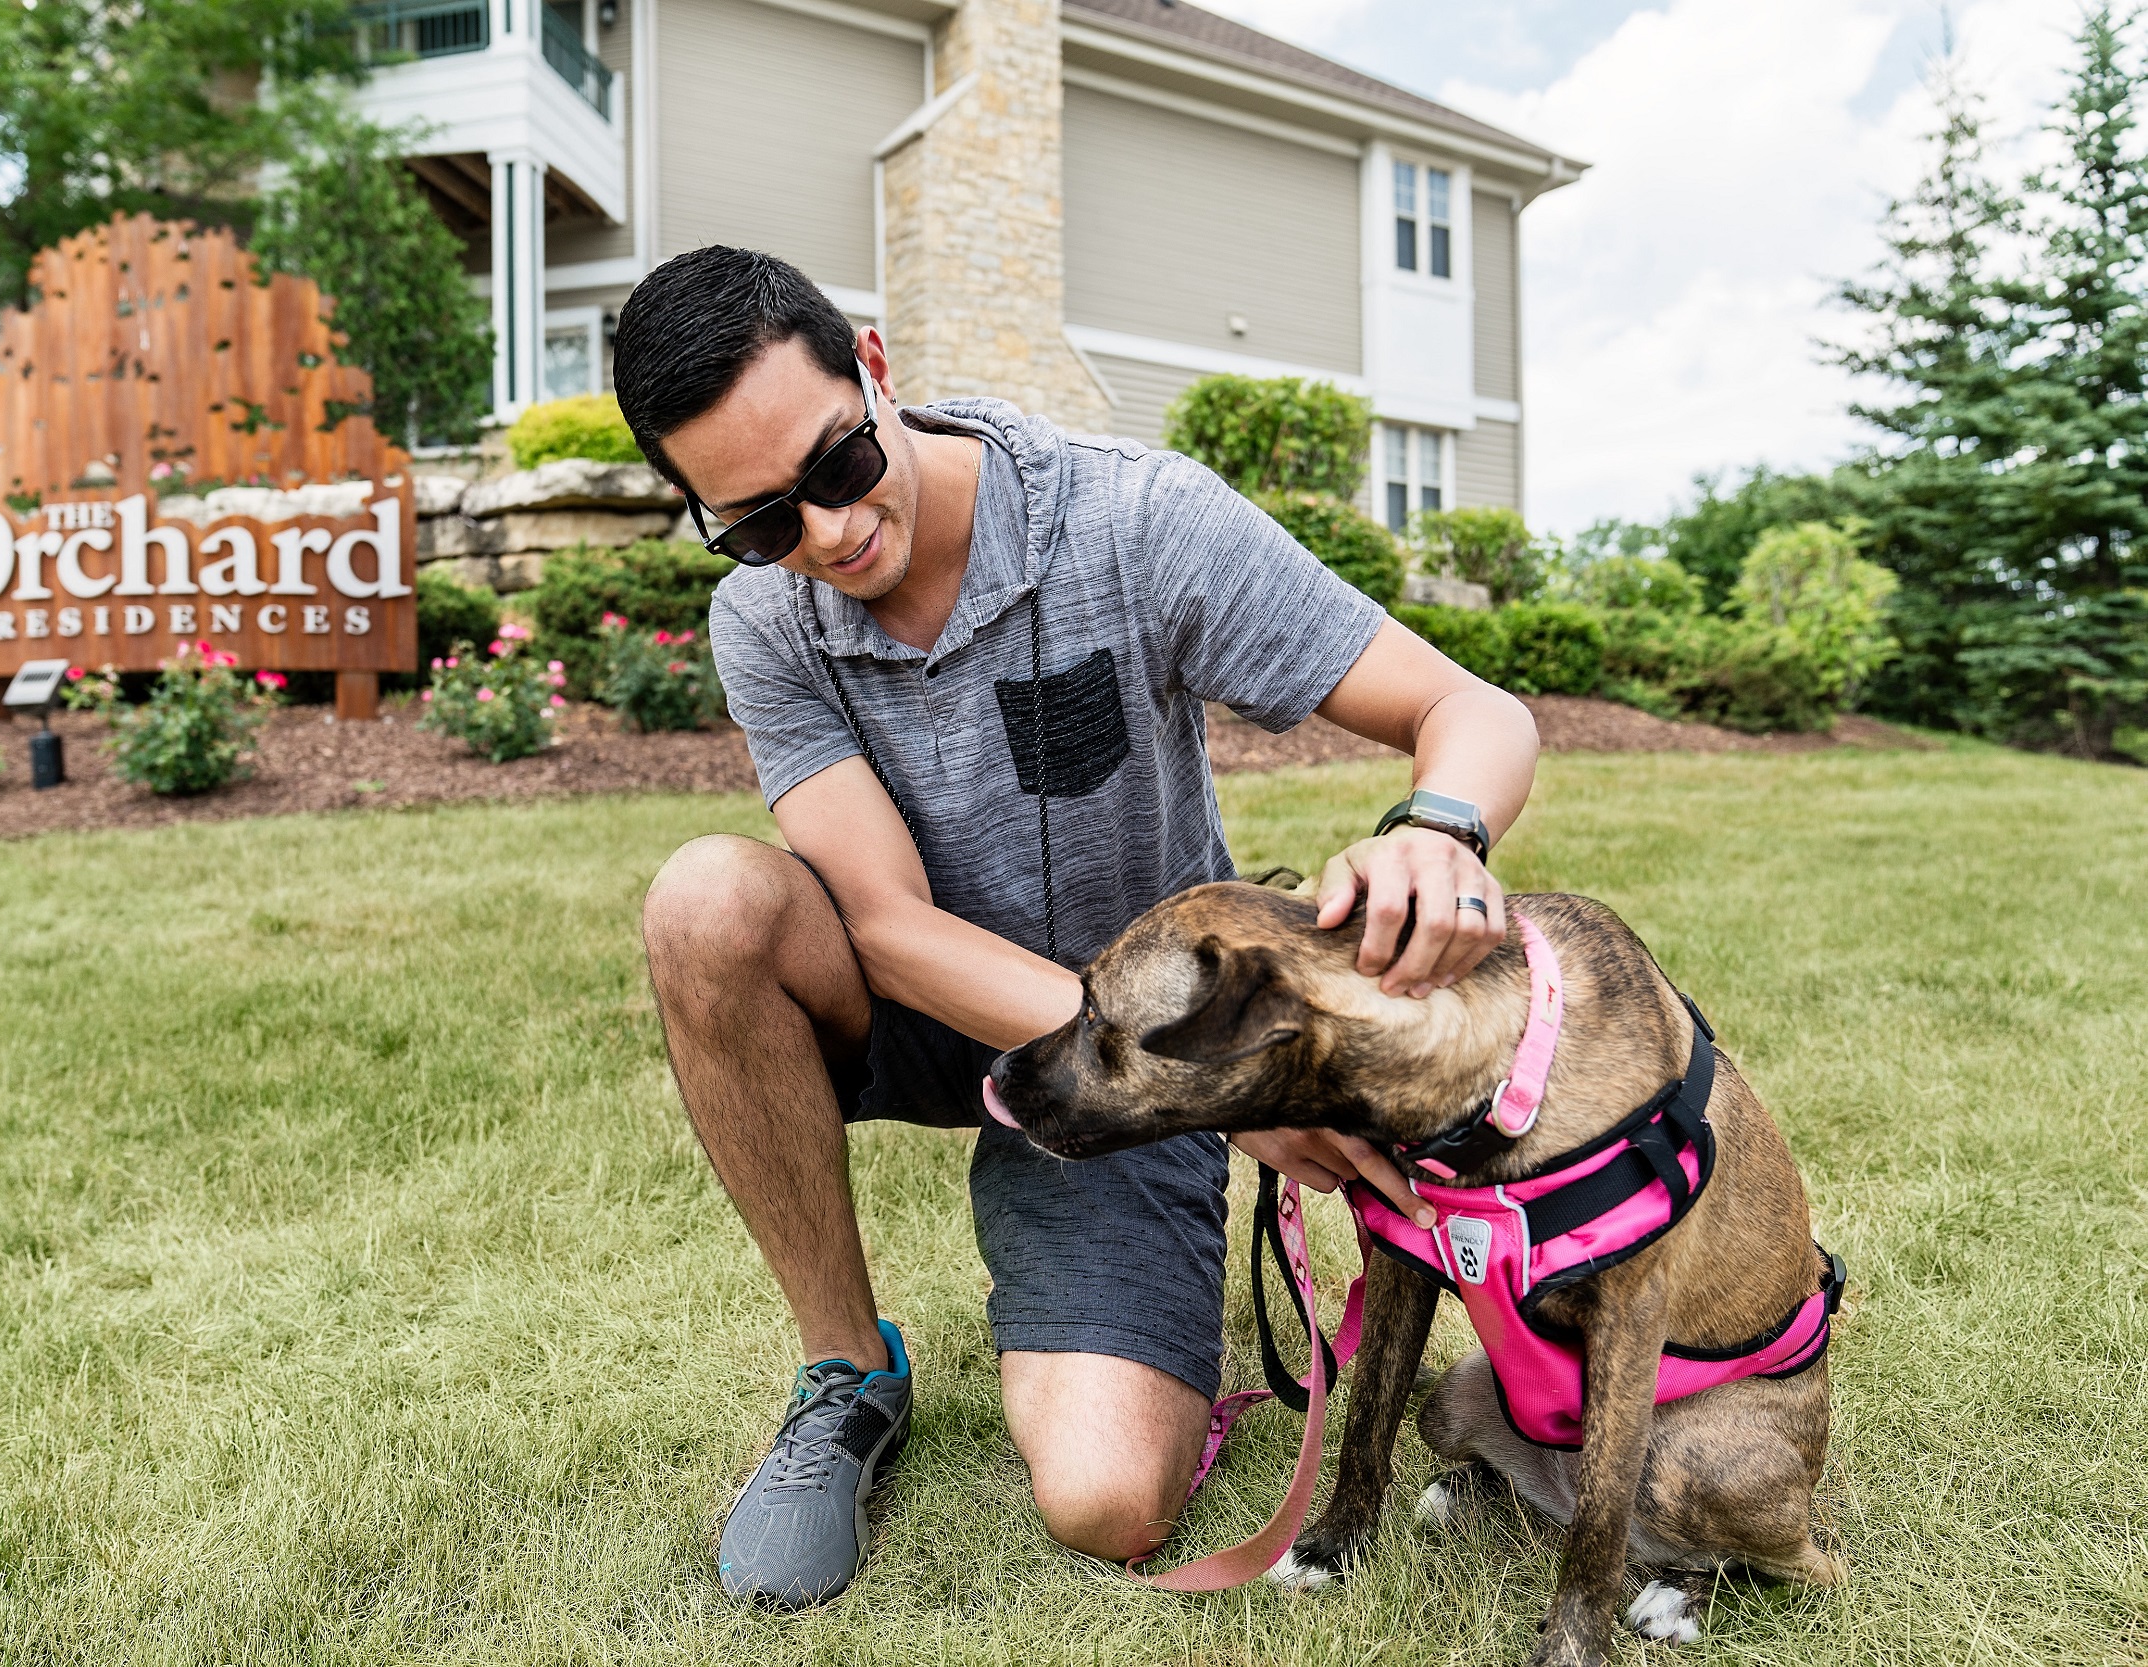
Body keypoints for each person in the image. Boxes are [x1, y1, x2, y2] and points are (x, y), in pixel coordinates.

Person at [616, 246, 1538, 1609]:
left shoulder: (1130, 520)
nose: (822, 536)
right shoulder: (768, 620)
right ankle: (846, 1375)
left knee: (1105, 1500)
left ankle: (1141, 1334)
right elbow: (884, 922)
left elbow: (1476, 713)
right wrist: (1225, 1100)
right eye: (758, 522)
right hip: (942, 1009)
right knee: (707, 900)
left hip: (1140, 1049)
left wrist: (1439, 830)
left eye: (838, 466)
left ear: (874, 366)